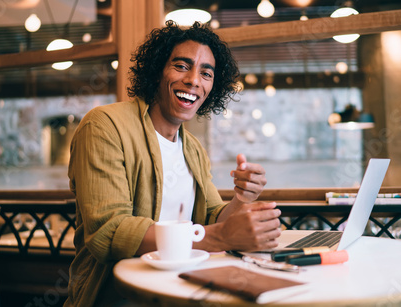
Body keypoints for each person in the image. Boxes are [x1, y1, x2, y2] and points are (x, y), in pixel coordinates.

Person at [64, 21, 282, 307]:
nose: (194, 80)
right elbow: (110, 230)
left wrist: (242, 199)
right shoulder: (105, 125)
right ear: (157, 71)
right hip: (118, 292)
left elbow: (214, 217)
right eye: (181, 66)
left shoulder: (192, 149)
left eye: (206, 73)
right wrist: (219, 237)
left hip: (183, 286)